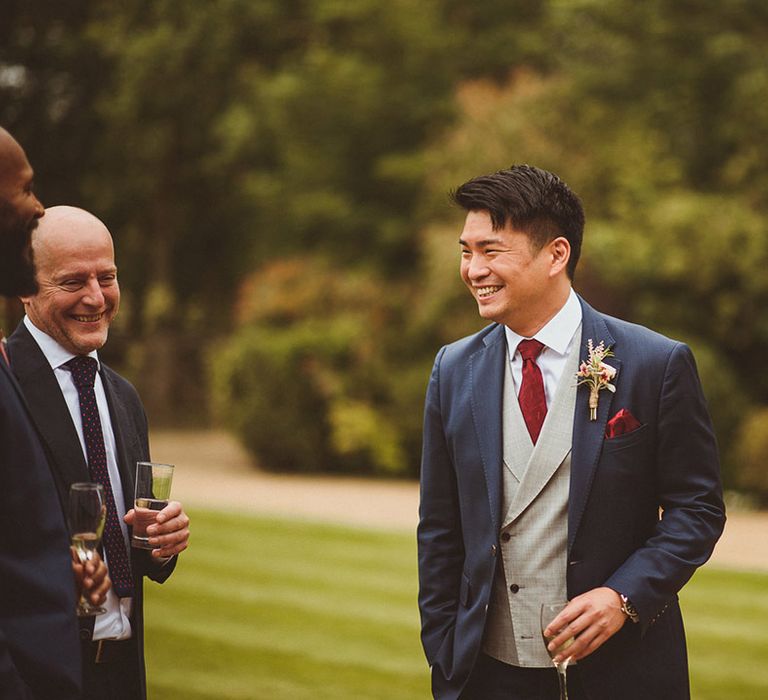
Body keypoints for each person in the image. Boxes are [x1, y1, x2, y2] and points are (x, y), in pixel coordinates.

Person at [417, 165, 726, 700]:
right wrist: (445, 656)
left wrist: (622, 597)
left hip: (620, 673)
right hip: (484, 674)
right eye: (466, 251)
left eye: (491, 250)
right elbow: (440, 529)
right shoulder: (453, 369)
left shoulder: (656, 363)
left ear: (556, 255)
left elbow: (697, 509)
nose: (472, 269)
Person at [7, 205, 191, 700]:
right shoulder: (6, 389)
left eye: (106, 277)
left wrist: (162, 540)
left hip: (123, 673)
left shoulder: (124, 397)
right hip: (37, 677)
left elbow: (138, 543)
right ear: (25, 287)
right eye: (72, 282)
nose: (96, 297)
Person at [0, 126, 110, 699]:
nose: (37, 206)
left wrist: (57, 568)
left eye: (107, 277)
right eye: (25, 188)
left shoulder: (123, 396)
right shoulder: (12, 370)